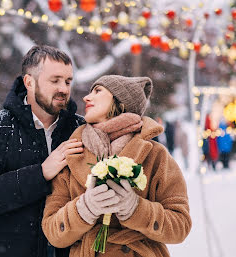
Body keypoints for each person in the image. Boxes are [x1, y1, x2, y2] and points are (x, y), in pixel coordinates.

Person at [42, 75, 192, 257]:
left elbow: (180, 226)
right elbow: (53, 233)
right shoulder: (73, 152)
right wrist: (84, 209)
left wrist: (137, 209)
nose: (86, 98)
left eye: (97, 91)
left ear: (121, 101)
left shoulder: (155, 155)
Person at [0, 45, 85, 257]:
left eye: (67, 81)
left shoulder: (83, 131)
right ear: (29, 82)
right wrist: (41, 173)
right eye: (54, 81)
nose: (64, 89)